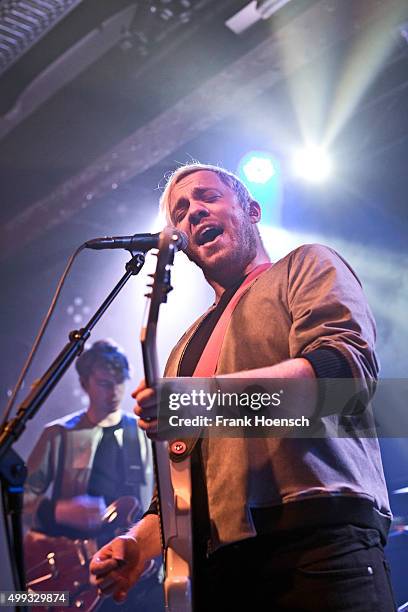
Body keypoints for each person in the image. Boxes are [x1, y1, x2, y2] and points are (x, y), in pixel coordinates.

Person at [90, 164, 396, 611]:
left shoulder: (305, 266)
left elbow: (343, 377)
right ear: (183, 245)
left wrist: (202, 401)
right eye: (180, 211)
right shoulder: (182, 350)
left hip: (317, 548)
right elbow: (175, 490)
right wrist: (138, 544)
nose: (193, 212)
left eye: (207, 197)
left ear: (251, 210)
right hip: (221, 574)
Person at [24, 339, 163, 611]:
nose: (114, 391)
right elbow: (17, 500)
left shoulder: (148, 432)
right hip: (74, 570)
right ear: (85, 383)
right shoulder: (59, 433)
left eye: (120, 381)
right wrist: (57, 511)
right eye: (104, 383)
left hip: (137, 569)